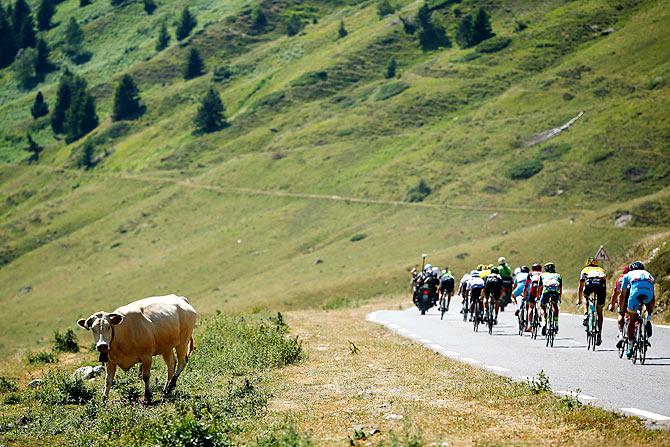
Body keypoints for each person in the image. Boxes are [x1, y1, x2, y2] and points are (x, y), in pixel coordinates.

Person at [623, 261, 655, 359]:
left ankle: (630, 347)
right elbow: (653, 292)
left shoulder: (628, 274)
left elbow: (623, 294)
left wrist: (621, 308)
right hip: (648, 293)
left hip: (635, 294)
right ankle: (648, 318)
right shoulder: (648, 274)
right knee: (650, 299)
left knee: (632, 320)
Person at [578, 257, 607, 346]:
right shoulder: (601, 269)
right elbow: (604, 283)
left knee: (585, 296)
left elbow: (580, 287)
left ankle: (586, 313)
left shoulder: (585, 270)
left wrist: (579, 299)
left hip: (590, 283)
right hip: (600, 285)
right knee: (599, 311)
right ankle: (599, 335)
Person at [608, 265, 630, 348]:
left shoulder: (621, 278)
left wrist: (612, 305)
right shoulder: (635, 277)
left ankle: (621, 335)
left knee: (621, 313)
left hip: (624, 297)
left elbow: (615, 293)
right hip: (634, 296)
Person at [539, 262, 562, 336]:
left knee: (542, 306)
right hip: (555, 292)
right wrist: (559, 298)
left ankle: (544, 323)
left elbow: (539, 288)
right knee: (555, 305)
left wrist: (539, 297)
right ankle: (556, 323)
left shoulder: (542, 275)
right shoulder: (558, 275)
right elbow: (560, 288)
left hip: (546, 292)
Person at [522, 264, 543, 332]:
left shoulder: (530, 274)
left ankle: (530, 325)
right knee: (541, 305)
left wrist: (524, 297)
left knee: (531, 307)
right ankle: (541, 316)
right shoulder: (543, 274)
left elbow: (526, 286)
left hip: (533, 288)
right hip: (541, 289)